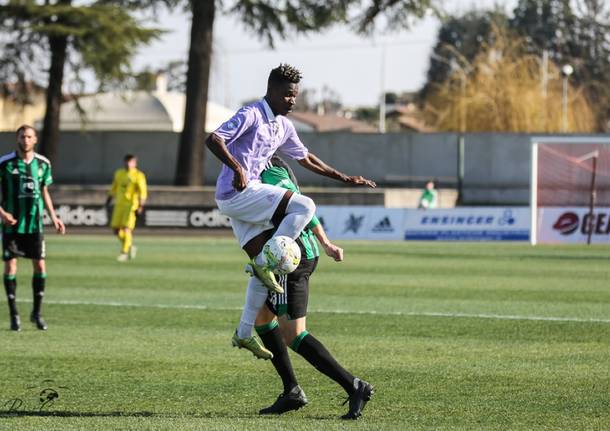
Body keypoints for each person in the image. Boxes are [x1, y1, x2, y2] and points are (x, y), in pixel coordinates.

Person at [205, 63, 375, 361]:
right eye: (287, 95)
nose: (292, 101)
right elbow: (214, 138)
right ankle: (274, 255)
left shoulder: (282, 126)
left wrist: (345, 178)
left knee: (261, 268)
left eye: (295, 95)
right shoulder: (252, 114)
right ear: (272, 91)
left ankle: (243, 334)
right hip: (237, 194)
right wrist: (236, 168)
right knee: (304, 205)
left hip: (241, 202)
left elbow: (306, 158)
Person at [254, 155, 373, 420]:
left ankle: (355, 386)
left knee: (294, 334)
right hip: (288, 256)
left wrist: (325, 243)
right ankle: (292, 391)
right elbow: (302, 204)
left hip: (291, 260)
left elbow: (303, 207)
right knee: (262, 318)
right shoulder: (264, 170)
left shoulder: (270, 172)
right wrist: (327, 244)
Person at [0, 125, 66, 331]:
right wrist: (2, 214)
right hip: (11, 226)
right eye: (22, 137)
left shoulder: (43, 164)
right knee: (11, 267)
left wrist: (54, 217)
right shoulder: (5, 163)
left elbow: (44, 191)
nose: (26, 140)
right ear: (17, 139)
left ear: (35, 139)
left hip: (35, 225)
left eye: (29, 137)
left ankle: (36, 314)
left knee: (40, 267)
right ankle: (14, 315)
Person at [106, 154, 147, 262]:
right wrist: (109, 199)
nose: (128, 164)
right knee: (116, 230)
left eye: (131, 162)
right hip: (119, 205)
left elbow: (143, 192)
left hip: (131, 206)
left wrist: (140, 206)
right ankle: (130, 246)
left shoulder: (139, 175)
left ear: (135, 163)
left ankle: (124, 252)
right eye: (127, 162)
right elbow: (114, 187)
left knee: (126, 228)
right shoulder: (119, 173)